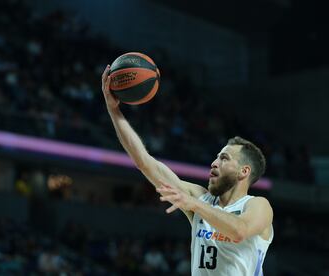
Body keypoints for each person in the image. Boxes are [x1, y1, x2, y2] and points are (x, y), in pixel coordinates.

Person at [101, 65, 273, 276]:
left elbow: (239, 231)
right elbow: (145, 162)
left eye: (224, 158)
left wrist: (193, 204)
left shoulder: (257, 205)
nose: (214, 163)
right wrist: (113, 110)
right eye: (216, 156)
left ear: (244, 171)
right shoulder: (201, 199)